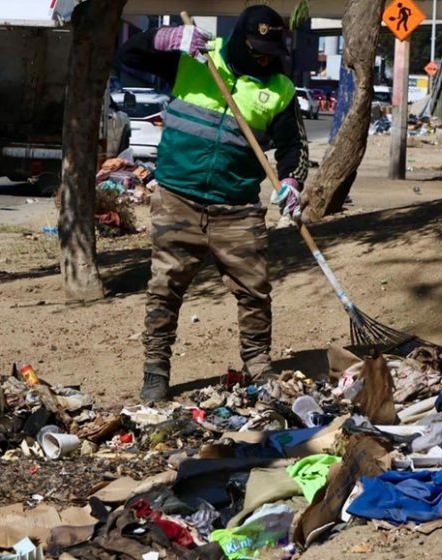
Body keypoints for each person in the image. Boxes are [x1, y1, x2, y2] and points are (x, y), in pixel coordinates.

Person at [120, 6, 309, 401]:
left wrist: (292, 180)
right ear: (239, 38)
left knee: (254, 290)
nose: (262, 58)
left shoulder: (279, 88)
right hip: (177, 198)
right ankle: (156, 372)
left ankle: (257, 365)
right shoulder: (195, 59)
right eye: (256, 50)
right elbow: (129, 55)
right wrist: (166, 38)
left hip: (237, 206)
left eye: (269, 52)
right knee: (165, 288)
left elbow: (294, 146)